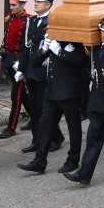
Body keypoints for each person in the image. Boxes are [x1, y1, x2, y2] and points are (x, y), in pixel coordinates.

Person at [63, 16, 104, 185]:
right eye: (102, 31)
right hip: (97, 102)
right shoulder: (97, 49)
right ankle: (84, 174)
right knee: (93, 139)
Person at [17, 20, 87, 175]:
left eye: (49, 30)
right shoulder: (50, 43)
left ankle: (72, 160)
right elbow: (34, 62)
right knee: (45, 126)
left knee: (73, 128)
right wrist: (43, 50)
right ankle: (39, 161)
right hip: (52, 92)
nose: (47, 33)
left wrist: (59, 51)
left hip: (69, 93)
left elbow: (78, 60)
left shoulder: (73, 42)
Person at [15, 0, 64, 154]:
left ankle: (55, 138)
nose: (35, 3)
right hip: (31, 70)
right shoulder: (32, 20)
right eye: (35, 0)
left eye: (39, 1)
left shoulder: (54, 21)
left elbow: (56, 47)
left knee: (44, 109)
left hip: (44, 70)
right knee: (35, 109)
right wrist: (21, 68)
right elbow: (26, 46)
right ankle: (37, 140)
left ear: (48, 4)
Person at [0, 0, 32, 139]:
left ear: (23, 5)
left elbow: (28, 45)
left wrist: (22, 63)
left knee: (15, 95)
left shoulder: (29, 20)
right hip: (10, 61)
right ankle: (35, 118)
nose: (11, 8)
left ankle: (11, 127)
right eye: (10, 4)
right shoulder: (9, 19)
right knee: (22, 94)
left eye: (14, 5)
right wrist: (0, 55)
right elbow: (6, 41)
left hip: (20, 62)